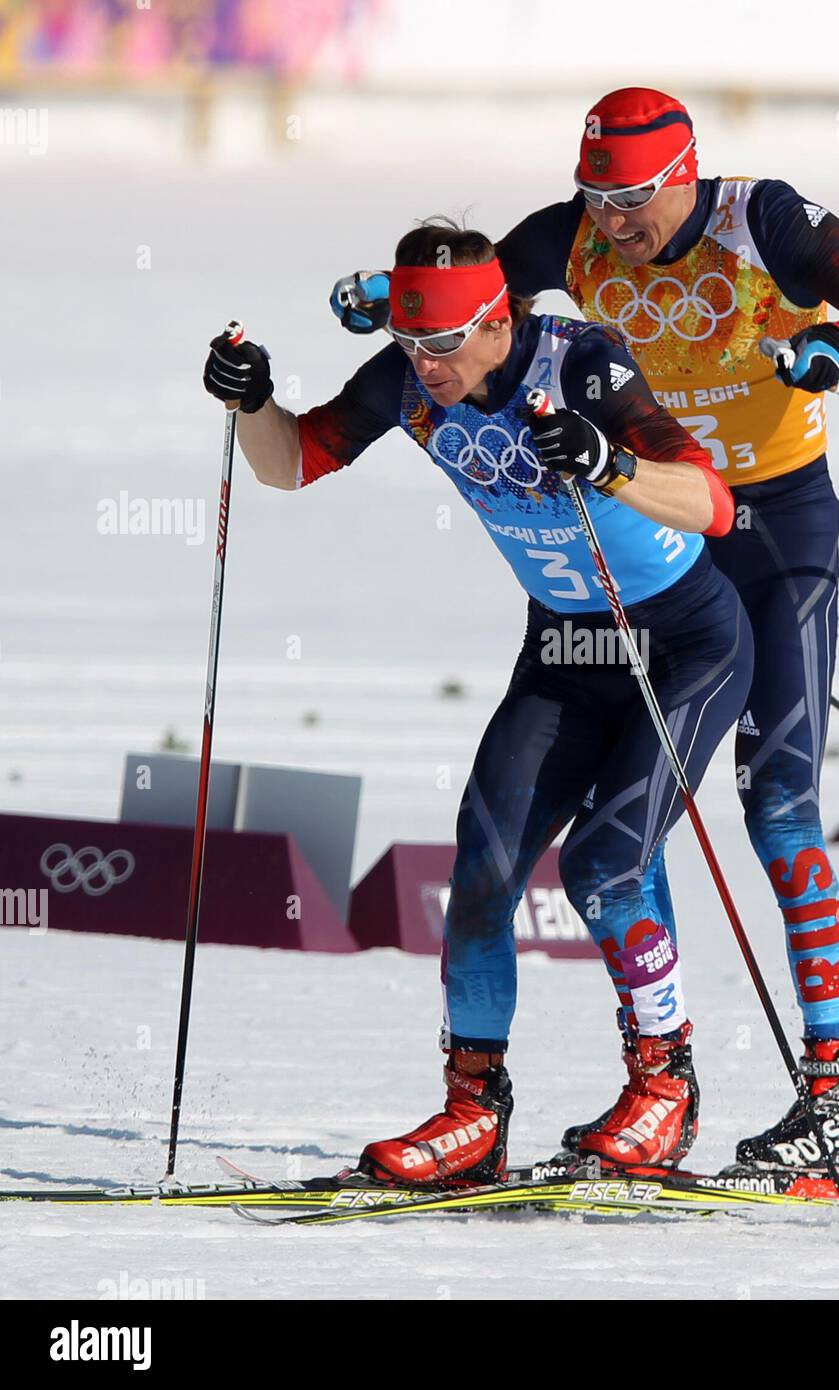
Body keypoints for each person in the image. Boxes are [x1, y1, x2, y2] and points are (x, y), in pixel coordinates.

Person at [332, 89, 839, 1173]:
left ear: (684, 172)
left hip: (769, 531)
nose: (613, 220)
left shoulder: (759, 223)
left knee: (775, 803)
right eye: (595, 196)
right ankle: (655, 1083)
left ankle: (832, 1091)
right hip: (641, 537)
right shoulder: (568, 238)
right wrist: (384, 298)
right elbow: (476, 298)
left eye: (633, 197)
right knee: (627, 834)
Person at [203, 221, 753, 1183]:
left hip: (684, 646)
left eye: (447, 345)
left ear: (500, 322)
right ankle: (475, 1114)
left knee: (605, 868)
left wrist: (606, 460)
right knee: (484, 873)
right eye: (413, 344)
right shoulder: (409, 377)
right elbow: (288, 462)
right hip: (568, 649)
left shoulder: (583, 364)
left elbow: (714, 504)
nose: (427, 365)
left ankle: (665, 1085)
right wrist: (254, 403)